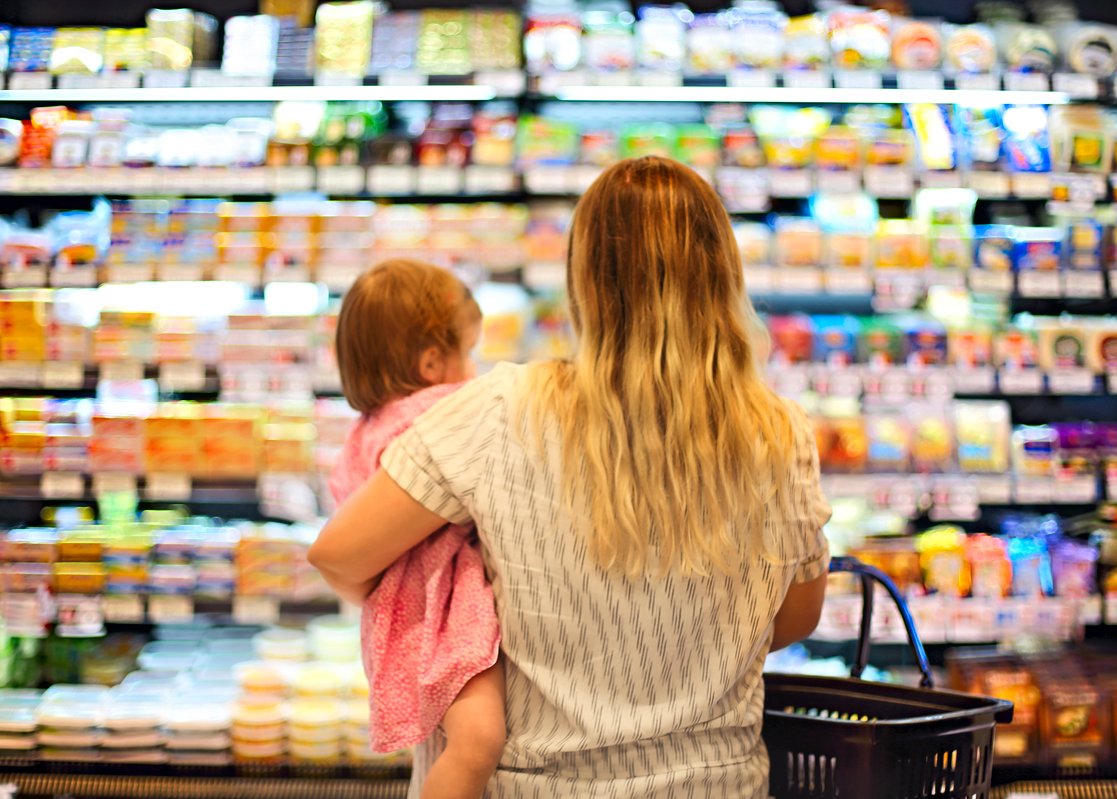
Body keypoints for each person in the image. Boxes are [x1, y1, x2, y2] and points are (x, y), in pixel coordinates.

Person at [309, 156, 830, 798]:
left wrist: (454, 612)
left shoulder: (496, 412)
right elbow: (795, 618)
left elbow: (339, 555)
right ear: (723, 276)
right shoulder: (779, 433)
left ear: (584, 279)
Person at [324, 258, 505, 799]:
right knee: (479, 741)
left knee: (451, 746)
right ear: (431, 363)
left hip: (404, 615)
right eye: (467, 353)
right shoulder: (438, 413)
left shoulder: (368, 428)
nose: (474, 371)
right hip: (442, 614)